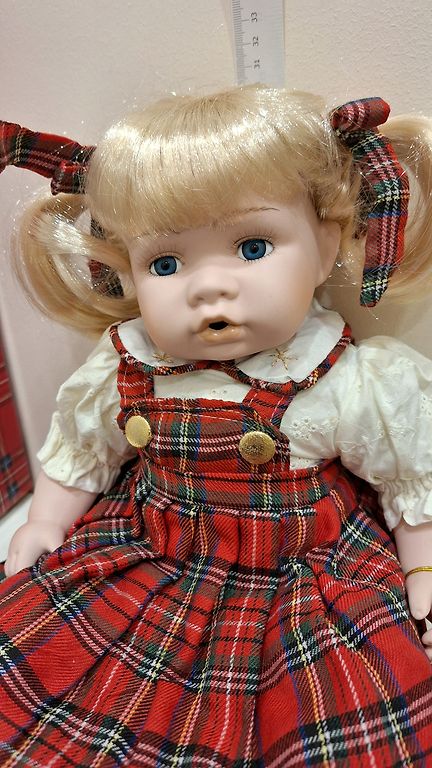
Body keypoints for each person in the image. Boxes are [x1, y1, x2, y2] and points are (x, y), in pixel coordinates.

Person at [0, 85, 432, 766]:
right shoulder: (129, 364)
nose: (206, 288)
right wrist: (46, 521)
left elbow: (411, 478)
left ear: (327, 245)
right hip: (150, 555)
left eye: (252, 246)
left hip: (301, 583)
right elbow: (84, 448)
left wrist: (423, 567)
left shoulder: (347, 377)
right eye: (165, 264)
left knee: (329, 726)